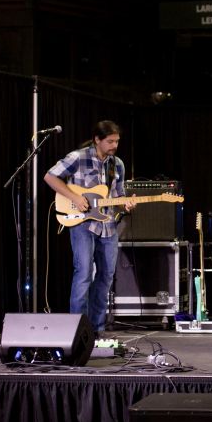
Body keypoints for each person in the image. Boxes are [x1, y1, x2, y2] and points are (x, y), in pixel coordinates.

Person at [44, 120, 135, 338]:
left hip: (109, 225)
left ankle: (96, 329)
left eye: (117, 141)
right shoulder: (78, 157)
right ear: (97, 139)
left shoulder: (118, 164)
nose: (114, 145)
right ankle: (76, 330)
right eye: (110, 141)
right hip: (82, 223)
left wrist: (126, 203)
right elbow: (50, 176)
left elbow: (118, 196)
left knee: (105, 277)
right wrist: (74, 196)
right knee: (83, 274)